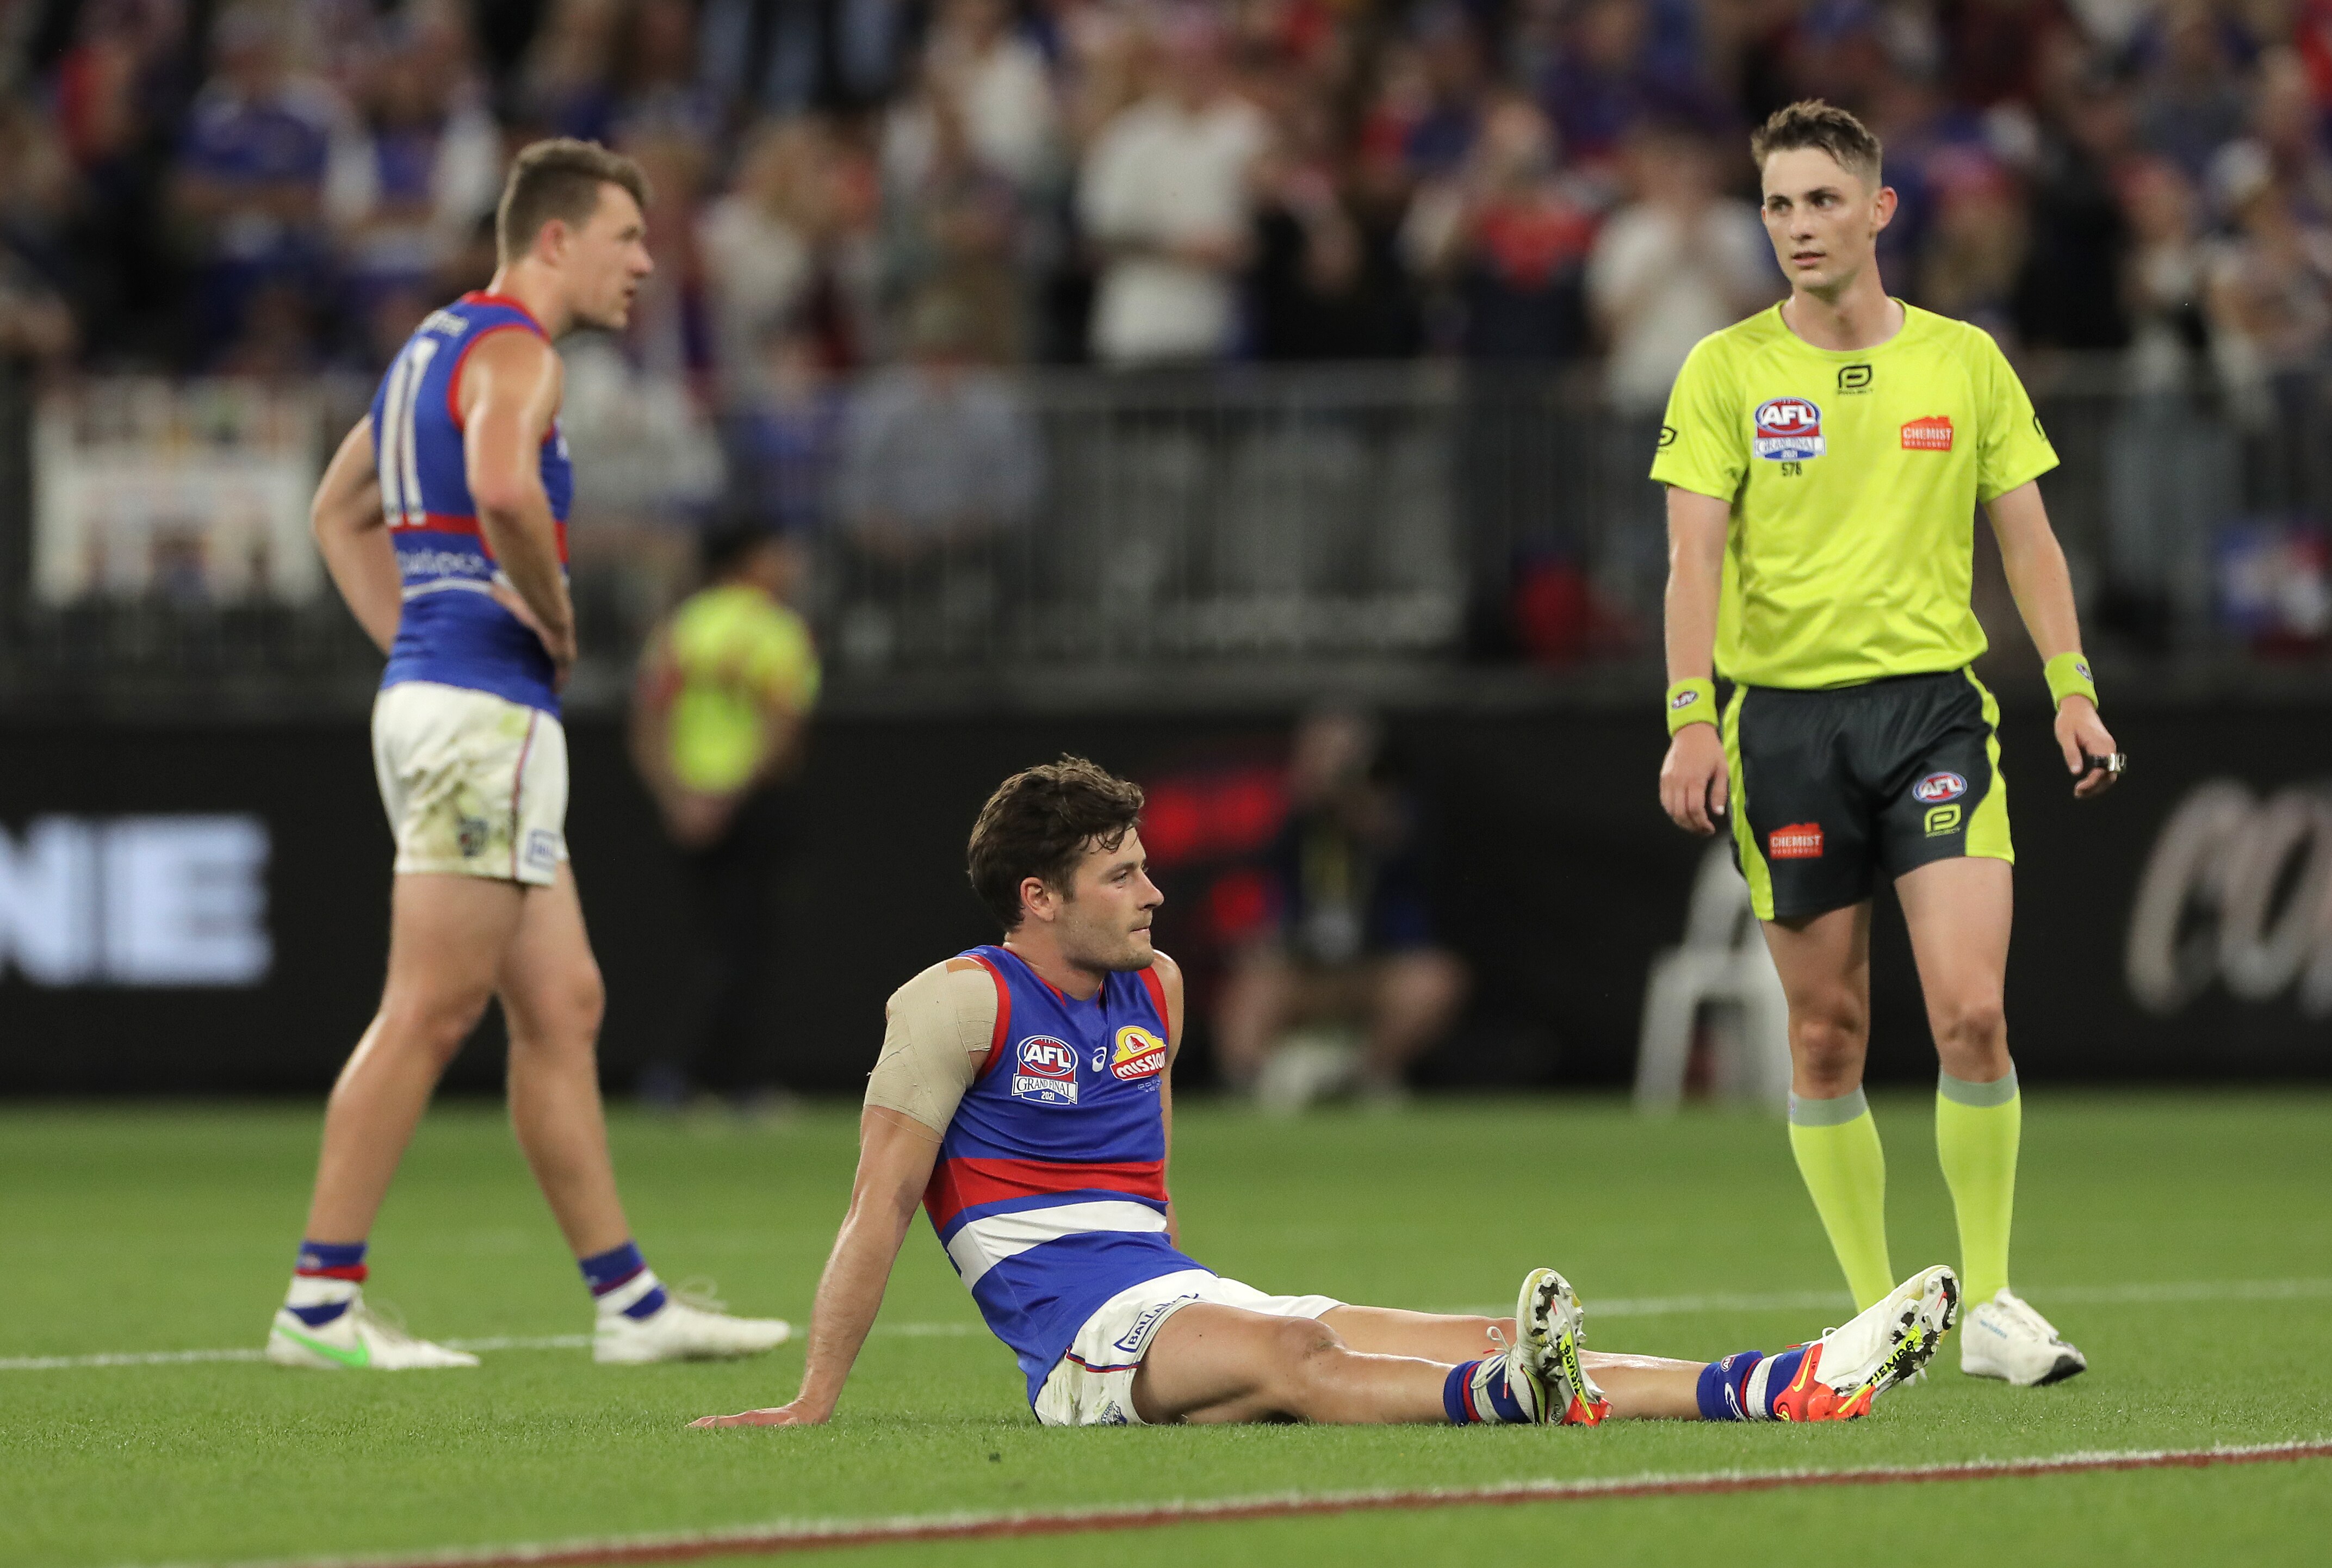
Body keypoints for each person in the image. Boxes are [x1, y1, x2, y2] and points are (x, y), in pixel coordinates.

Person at [692, 757, 1959, 1430]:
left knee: (1466, 1327)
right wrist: (813, 1397)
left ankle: (1779, 1381)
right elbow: (875, 1208)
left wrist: (1192, 1305)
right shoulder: (950, 1004)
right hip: (1078, 1347)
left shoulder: (1161, 988)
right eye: (1121, 873)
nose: (1152, 892)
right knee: (1301, 1354)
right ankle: (1518, 1395)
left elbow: (1148, 1195)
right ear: (1040, 894)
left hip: (1174, 1292)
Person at [288, 138, 792, 1369]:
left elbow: (335, 510)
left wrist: (415, 640)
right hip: (482, 716)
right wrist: (551, 618)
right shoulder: (518, 349)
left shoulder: (429, 349)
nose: (644, 263)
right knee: (430, 1007)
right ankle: (318, 1304)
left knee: (561, 1005)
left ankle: (630, 1303)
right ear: (556, 238)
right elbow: (510, 492)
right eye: (626, 238)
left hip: (448, 700)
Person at [1651, 101, 2120, 1389]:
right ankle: (1878, 1317)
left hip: (1930, 708)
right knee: (1823, 1035)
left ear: (1877, 210)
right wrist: (1690, 715)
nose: (1796, 226)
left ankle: (1993, 1293)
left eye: (1818, 201)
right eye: (1776, 205)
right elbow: (1689, 556)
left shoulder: (1962, 360)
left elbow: (2024, 537)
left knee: (1971, 1010)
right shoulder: (1724, 370)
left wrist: (2070, 688)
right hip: (1781, 723)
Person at [629, 525, 821, 1105]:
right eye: (777, 551)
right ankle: (715, 1078)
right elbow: (782, 724)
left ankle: (698, 1076)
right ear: (750, 560)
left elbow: (648, 721)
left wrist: (676, 797)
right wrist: (730, 797)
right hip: (751, 802)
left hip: (688, 803)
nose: (789, 563)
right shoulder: (775, 629)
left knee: (710, 940)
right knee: (748, 944)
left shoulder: (682, 628)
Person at [1212, 706, 1467, 1106]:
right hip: (1307, 970)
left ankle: (1361, 1077)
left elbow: (1402, 845)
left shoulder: (1400, 818)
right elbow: (1258, 894)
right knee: (1251, 988)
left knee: (1435, 981)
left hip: (1375, 967)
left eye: (1341, 755)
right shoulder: (1291, 825)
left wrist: (1357, 801)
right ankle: (1258, 1086)